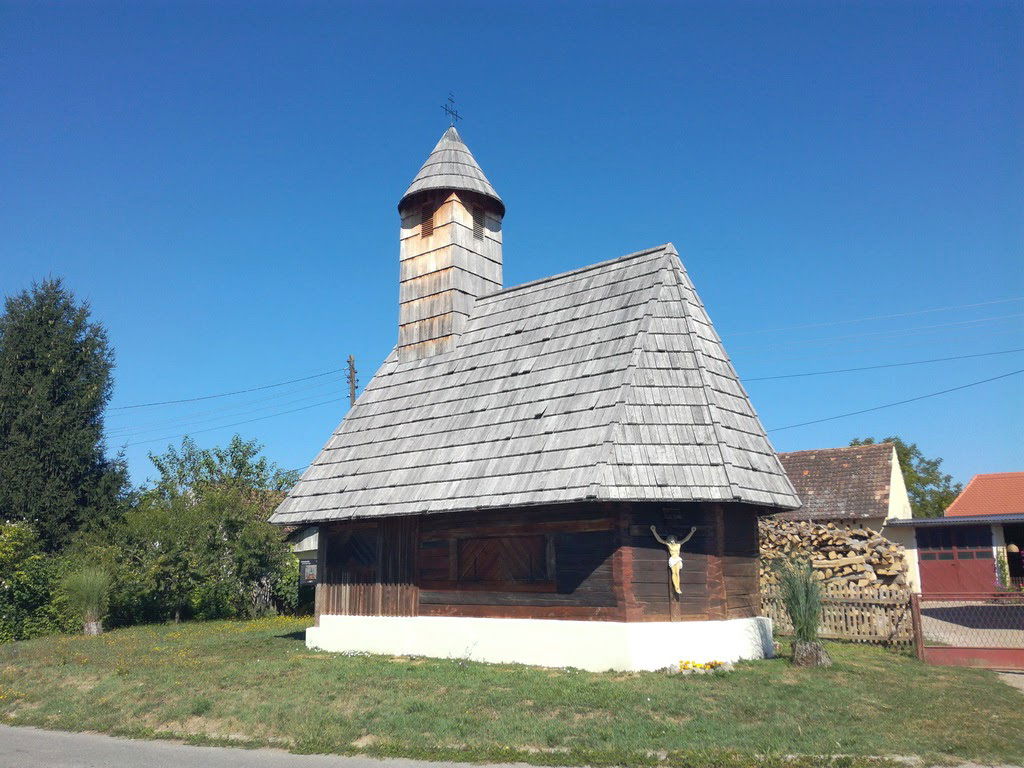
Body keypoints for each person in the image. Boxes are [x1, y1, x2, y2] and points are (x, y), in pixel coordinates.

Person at [650, 525, 697, 595]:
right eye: (670, 539)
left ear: (675, 539)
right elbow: (659, 540)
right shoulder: (668, 545)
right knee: (673, 573)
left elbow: (686, 539)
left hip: (677, 559)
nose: (671, 540)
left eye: (672, 539)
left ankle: (678, 588)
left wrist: (692, 532)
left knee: (677, 573)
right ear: (668, 540)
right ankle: (676, 587)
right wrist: (653, 531)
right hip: (672, 559)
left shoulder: (679, 544)